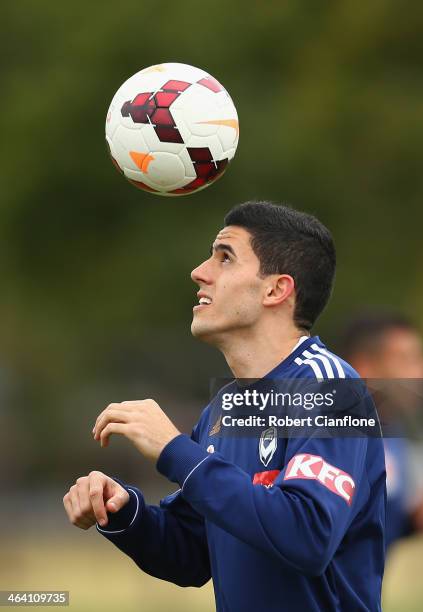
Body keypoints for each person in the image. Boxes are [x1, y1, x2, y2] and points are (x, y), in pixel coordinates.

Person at [63, 201, 386, 611]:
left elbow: (307, 535)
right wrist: (126, 513)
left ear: (276, 289)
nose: (200, 272)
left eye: (225, 257)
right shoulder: (227, 407)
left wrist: (175, 450)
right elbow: (193, 553)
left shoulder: (329, 386)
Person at [339, 312, 423, 551]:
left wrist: (412, 521)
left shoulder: (391, 431)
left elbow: (367, 529)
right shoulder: (333, 436)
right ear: (364, 367)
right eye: (408, 359)